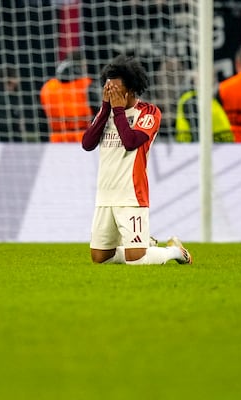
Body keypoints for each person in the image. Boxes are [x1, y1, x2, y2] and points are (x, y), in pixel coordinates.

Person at [82, 55, 192, 265]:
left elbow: (131, 141)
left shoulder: (149, 112)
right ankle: (144, 244)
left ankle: (175, 251)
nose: (110, 93)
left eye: (115, 89)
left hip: (131, 194)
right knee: (100, 259)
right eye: (108, 89)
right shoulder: (106, 114)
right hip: (105, 194)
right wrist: (106, 109)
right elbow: (87, 144)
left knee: (137, 261)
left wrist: (118, 111)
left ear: (131, 90)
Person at [40, 51, 98, 143]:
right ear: (79, 66)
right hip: (84, 138)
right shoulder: (87, 85)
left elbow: (42, 120)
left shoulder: (47, 87)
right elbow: (99, 113)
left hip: (56, 140)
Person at [175, 73, 234, 143]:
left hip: (221, 147)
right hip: (196, 148)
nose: (212, 81)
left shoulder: (212, 100)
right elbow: (198, 133)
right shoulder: (193, 100)